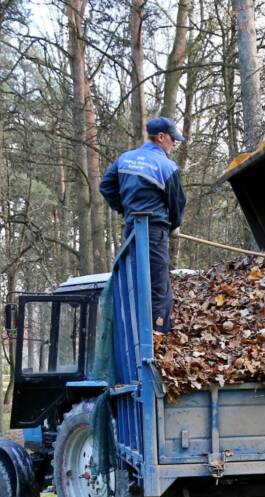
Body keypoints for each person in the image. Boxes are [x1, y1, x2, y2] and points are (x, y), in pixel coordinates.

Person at [99, 116, 187, 336]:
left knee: (134, 283)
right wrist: (172, 225)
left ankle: (135, 334)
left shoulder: (124, 160)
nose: (173, 144)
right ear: (161, 137)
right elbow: (177, 203)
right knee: (159, 288)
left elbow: (106, 187)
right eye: (172, 139)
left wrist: (125, 210)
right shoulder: (166, 166)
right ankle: (158, 338)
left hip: (132, 231)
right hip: (154, 232)